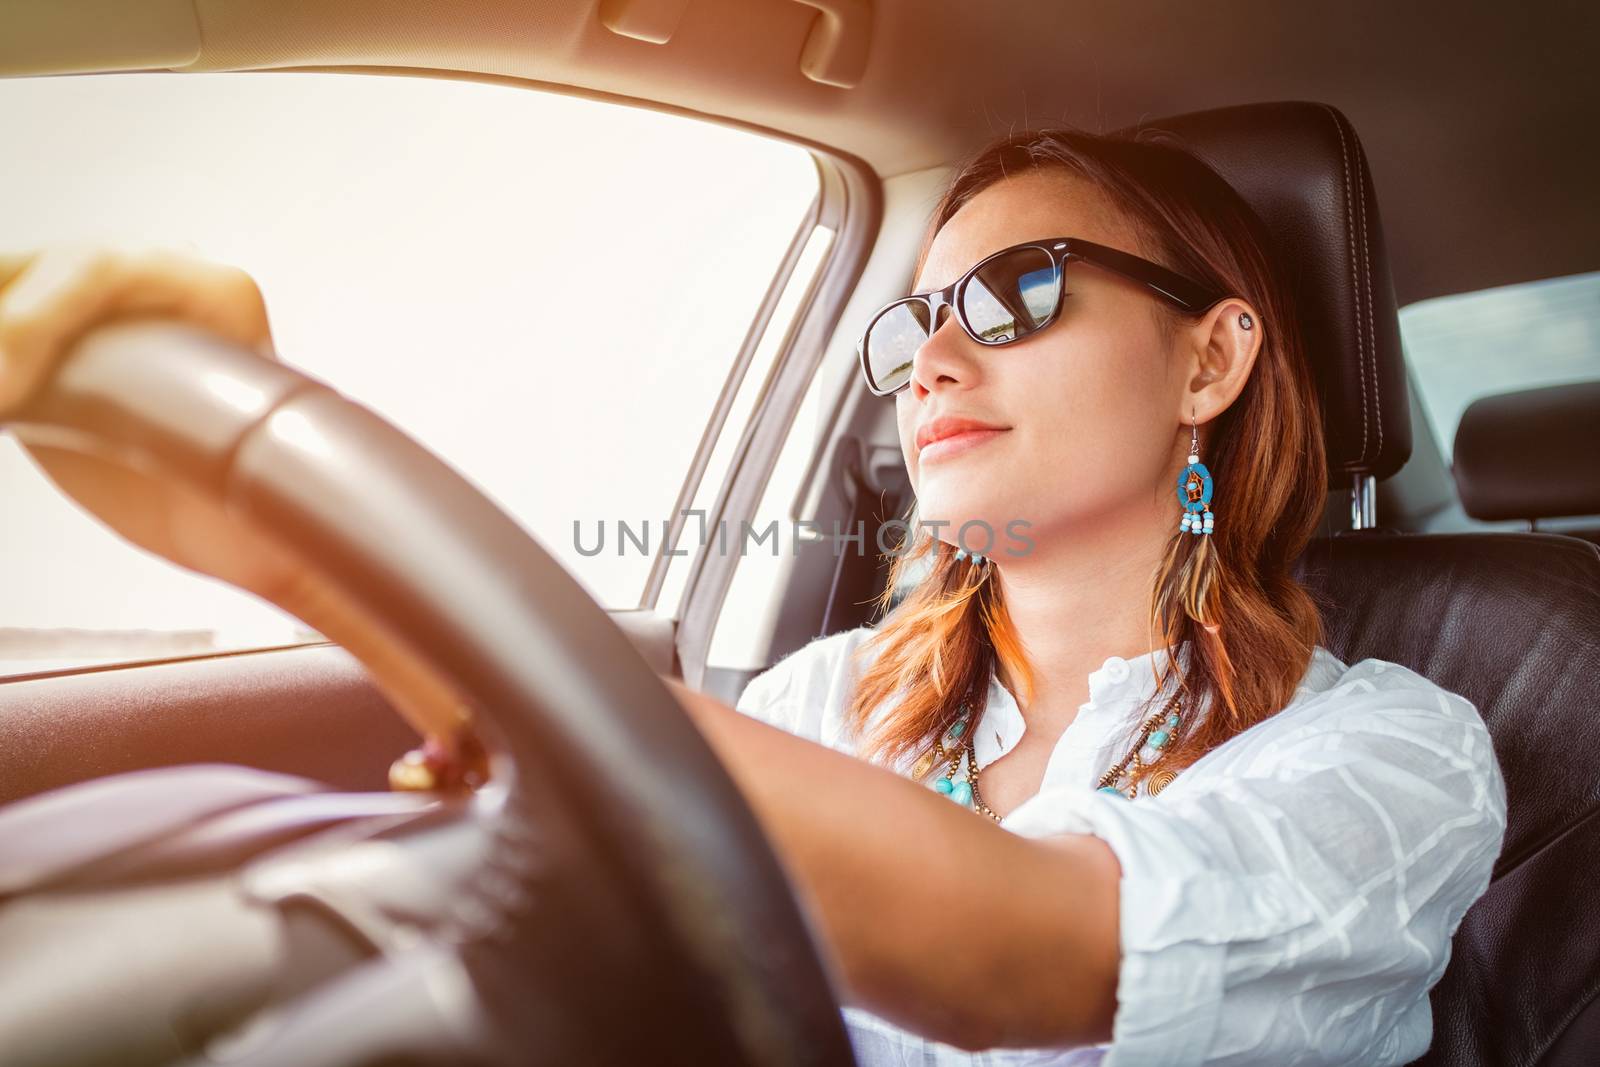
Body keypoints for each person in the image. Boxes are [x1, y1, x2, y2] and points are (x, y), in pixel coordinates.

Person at [0, 125, 1506, 1066]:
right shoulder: (818, 700)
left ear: (1211, 360)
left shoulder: (1398, 763)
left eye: (1018, 292)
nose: (932, 358)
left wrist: (309, 554)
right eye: (918, 318)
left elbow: (1031, 951)